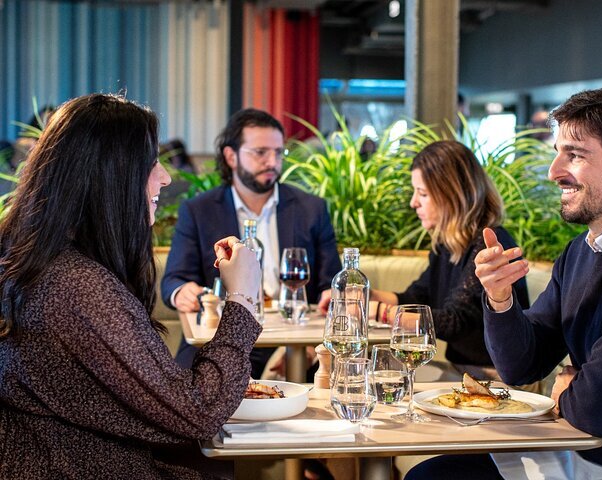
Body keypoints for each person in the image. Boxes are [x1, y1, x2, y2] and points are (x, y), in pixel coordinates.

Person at [409, 85, 602, 479]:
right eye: (558, 152)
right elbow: (521, 365)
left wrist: (569, 389)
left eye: (574, 155)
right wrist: (501, 298)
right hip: (585, 452)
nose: (554, 171)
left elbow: (599, 409)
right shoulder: (581, 250)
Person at [0, 93, 262, 478]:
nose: (167, 177)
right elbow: (198, 412)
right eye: (151, 162)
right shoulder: (76, 288)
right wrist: (242, 296)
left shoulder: (50, 264)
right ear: (112, 175)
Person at [323, 140, 530, 381]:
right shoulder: (448, 243)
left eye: (422, 193)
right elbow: (414, 298)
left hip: (497, 378)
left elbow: (454, 322)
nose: (414, 202)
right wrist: (361, 295)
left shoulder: (488, 244)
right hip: (464, 372)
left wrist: (377, 312)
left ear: (451, 194)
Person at [162, 108, 341, 378]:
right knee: (183, 385)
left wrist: (332, 296)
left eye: (278, 153)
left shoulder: (310, 209)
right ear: (231, 156)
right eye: (260, 152)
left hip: (294, 337)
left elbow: (331, 282)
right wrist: (182, 291)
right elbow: (173, 280)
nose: (272, 161)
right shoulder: (199, 210)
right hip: (222, 334)